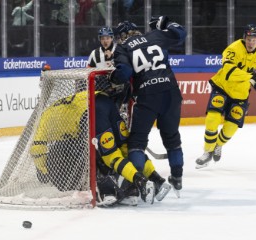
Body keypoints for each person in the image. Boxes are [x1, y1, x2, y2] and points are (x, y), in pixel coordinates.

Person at [31, 74, 171, 207]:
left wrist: (44, 171)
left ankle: (138, 182)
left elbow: (37, 149)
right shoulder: (61, 104)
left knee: (109, 155)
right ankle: (157, 179)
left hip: (91, 111)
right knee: (125, 147)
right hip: (104, 101)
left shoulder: (45, 117)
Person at [110, 17, 186, 196]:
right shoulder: (155, 36)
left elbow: (125, 73)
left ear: (121, 35)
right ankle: (177, 177)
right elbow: (181, 33)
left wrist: (113, 78)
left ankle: (137, 183)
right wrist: (166, 22)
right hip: (171, 91)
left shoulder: (122, 47)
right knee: (172, 138)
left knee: (136, 142)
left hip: (147, 95)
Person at [195, 24, 256, 169]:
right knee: (212, 119)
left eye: (254, 39)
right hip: (222, 87)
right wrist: (251, 78)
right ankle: (207, 151)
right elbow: (228, 71)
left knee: (232, 127)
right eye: (248, 39)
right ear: (244, 38)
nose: (251, 42)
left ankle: (218, 146)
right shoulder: (233, 49)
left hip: (240, 94)